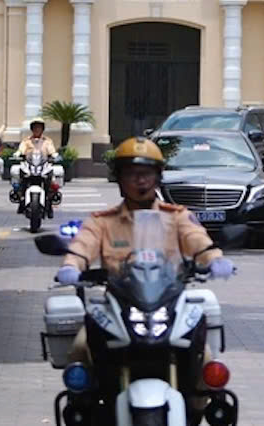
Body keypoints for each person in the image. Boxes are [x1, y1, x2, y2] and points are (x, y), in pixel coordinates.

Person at [54, 137, 235, 364]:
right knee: (81, 350)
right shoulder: (102, 221)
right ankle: (81, 401)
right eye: (131, 174)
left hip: (167, 301)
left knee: (204, 359)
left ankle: (203, 401)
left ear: (158, 177)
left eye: (146, 173)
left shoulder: (176, 216)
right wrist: (72, 265)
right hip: (118, 303)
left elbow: (196, 239)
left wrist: (214, 259)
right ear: (119, 179)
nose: (140, 181)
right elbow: (84, 244)